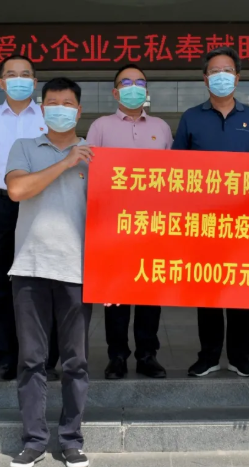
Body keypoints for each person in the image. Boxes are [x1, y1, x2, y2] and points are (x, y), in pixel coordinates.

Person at [5, 78, 92, 467]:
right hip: (31, 266)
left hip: (78, 270)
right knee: (31, 360)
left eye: (68, 103)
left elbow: (114, 214)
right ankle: (34, 441)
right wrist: (66, 162)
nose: (60, 109)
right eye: (53, 102)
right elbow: (17, 190)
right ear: (42, 109)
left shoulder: (95, 153)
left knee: (76, 361)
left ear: (79, 110)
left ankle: (71, 441)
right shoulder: (24, 147)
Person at [172, 46, 249, 378]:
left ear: (237, 78)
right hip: (203, 220)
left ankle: (241, 356)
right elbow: (175, 167)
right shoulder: (191, 117)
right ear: (205, 79)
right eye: (214, 72)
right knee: (207, 288)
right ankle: (210, 355)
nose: (221, 77)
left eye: (227, 71)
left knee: (241, 286)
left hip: (243, 219)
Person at [0, 54, 59, 382]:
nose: (19, 79)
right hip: (0, 205)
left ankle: (46, 359)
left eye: (26, 74)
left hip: (42, 204)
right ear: (1, 82)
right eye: (12, 74)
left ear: (35, 82)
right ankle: (7, 359)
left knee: (46, 281)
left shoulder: (48, 118)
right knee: (2, 286)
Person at [87, 64, 172, 380]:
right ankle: (117, 356)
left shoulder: (161, 127)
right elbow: (89, 175)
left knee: (149, 294)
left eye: (140, 83)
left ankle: (148, 355)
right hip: (114, 225)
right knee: (116, 295)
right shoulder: (100, 127)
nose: (134, 87)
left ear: (146, 91)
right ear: (115, 92)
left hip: (153, 224)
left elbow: (174, 175)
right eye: (126, 82)